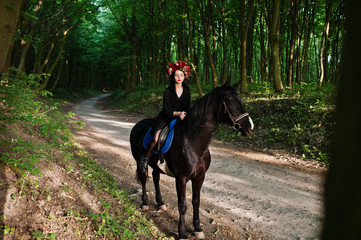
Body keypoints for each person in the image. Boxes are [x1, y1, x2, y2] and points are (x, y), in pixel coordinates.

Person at [138, 60, 191, 173]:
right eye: (176, 75)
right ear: (172, 76)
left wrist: (184, 115)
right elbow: (167, 109)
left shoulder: (187, 91)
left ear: (184, 76)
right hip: (166, 118)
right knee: (156, 138)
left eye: (181, 75)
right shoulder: (168, 91)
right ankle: (145, 158)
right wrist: (178, 114)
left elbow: (187, 107)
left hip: (182, 118)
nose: (179, 77)